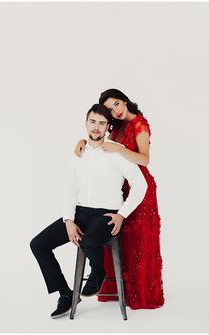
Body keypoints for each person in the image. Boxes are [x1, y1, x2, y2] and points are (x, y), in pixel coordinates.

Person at [30, 103, 147, 319]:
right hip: (80, 213)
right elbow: (70, 189)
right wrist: (68, 220)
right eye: (92, 122)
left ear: (108, 127)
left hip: (107, 214)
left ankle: (98, 271)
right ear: (86, 123)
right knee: (38, 244)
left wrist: (122, 214)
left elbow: (141, 185)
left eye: (102, 123)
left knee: (88, 243)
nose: (96, 127)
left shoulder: (117, 153)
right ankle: (65, 294)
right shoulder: (78, 152)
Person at [74, 89, 165, 309]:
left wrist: (118, 149)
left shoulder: (139, 124)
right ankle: (113, 287)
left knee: (138, 241)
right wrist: (82, 141)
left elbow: (145, 160)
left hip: (140, 190)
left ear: (124, 100)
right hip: (119, 188)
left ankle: (139, 294)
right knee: (116, 237)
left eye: (117, 104)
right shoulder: (116, 125)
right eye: (111, 108)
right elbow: (98, 137)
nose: (116, 110)